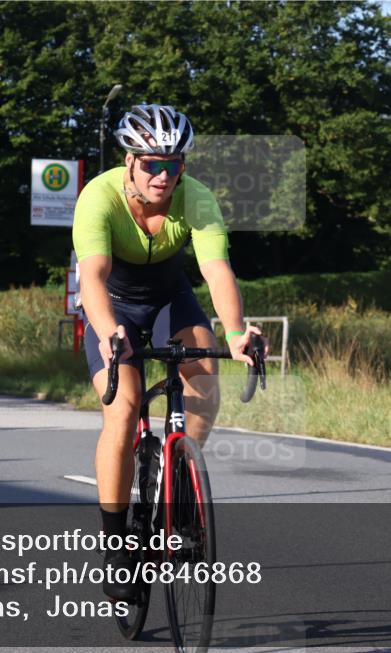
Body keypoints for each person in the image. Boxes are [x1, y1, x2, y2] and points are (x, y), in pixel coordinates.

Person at [72, 104, 267, 600]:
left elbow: (217, 271)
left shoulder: (196, 199)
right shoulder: (99, 197)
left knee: (203, 383)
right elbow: (91, 276)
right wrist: (108, 331)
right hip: (113, 306)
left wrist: (238, 332)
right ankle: (116, 547)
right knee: (124, 408)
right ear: (130, 161)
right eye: (153, 164)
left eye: (174, 164)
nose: (164, 176)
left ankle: (178, 493)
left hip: (170, 299)